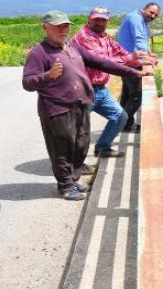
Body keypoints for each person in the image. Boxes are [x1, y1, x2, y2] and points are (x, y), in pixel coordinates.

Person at [22, 10, 152, 201]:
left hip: (80, 103)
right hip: (57, 109)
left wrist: (133, 72)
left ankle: (74, 180)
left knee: (80, 145)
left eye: (66, 25)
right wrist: (47, 76)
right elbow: (27, 82)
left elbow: (100, 62)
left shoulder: (71, 47)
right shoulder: (39, 53)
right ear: (45, 27)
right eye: (58, 26)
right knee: (62, 149)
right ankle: (65, 187)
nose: (63, 29)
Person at [70, 6, 156, 158]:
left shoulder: (103, 36)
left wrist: (142, 57)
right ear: (89, 19)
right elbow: (103, 62)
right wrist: (133, 62)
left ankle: (103, 148)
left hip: (100, 89)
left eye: (103, 20)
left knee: (120, 117)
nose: (100, 23)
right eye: (96, 19)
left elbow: (118, 50)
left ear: (107, 22)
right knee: (79, 129)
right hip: (84, 89)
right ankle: (74, 164)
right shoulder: (85, 37)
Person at [117, 2, 160, 133]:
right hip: (131, 62)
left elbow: (144, 41)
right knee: (137, 94)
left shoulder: (142, 20)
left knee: (127, 94)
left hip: (128, 60)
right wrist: (147, 58)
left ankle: (125, 124)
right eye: (151, 12)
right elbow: (139, 39)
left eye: (156, 15)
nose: (153, 16)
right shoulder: (135, 18)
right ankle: (119, 123)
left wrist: (149, 53)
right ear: (144, 9)